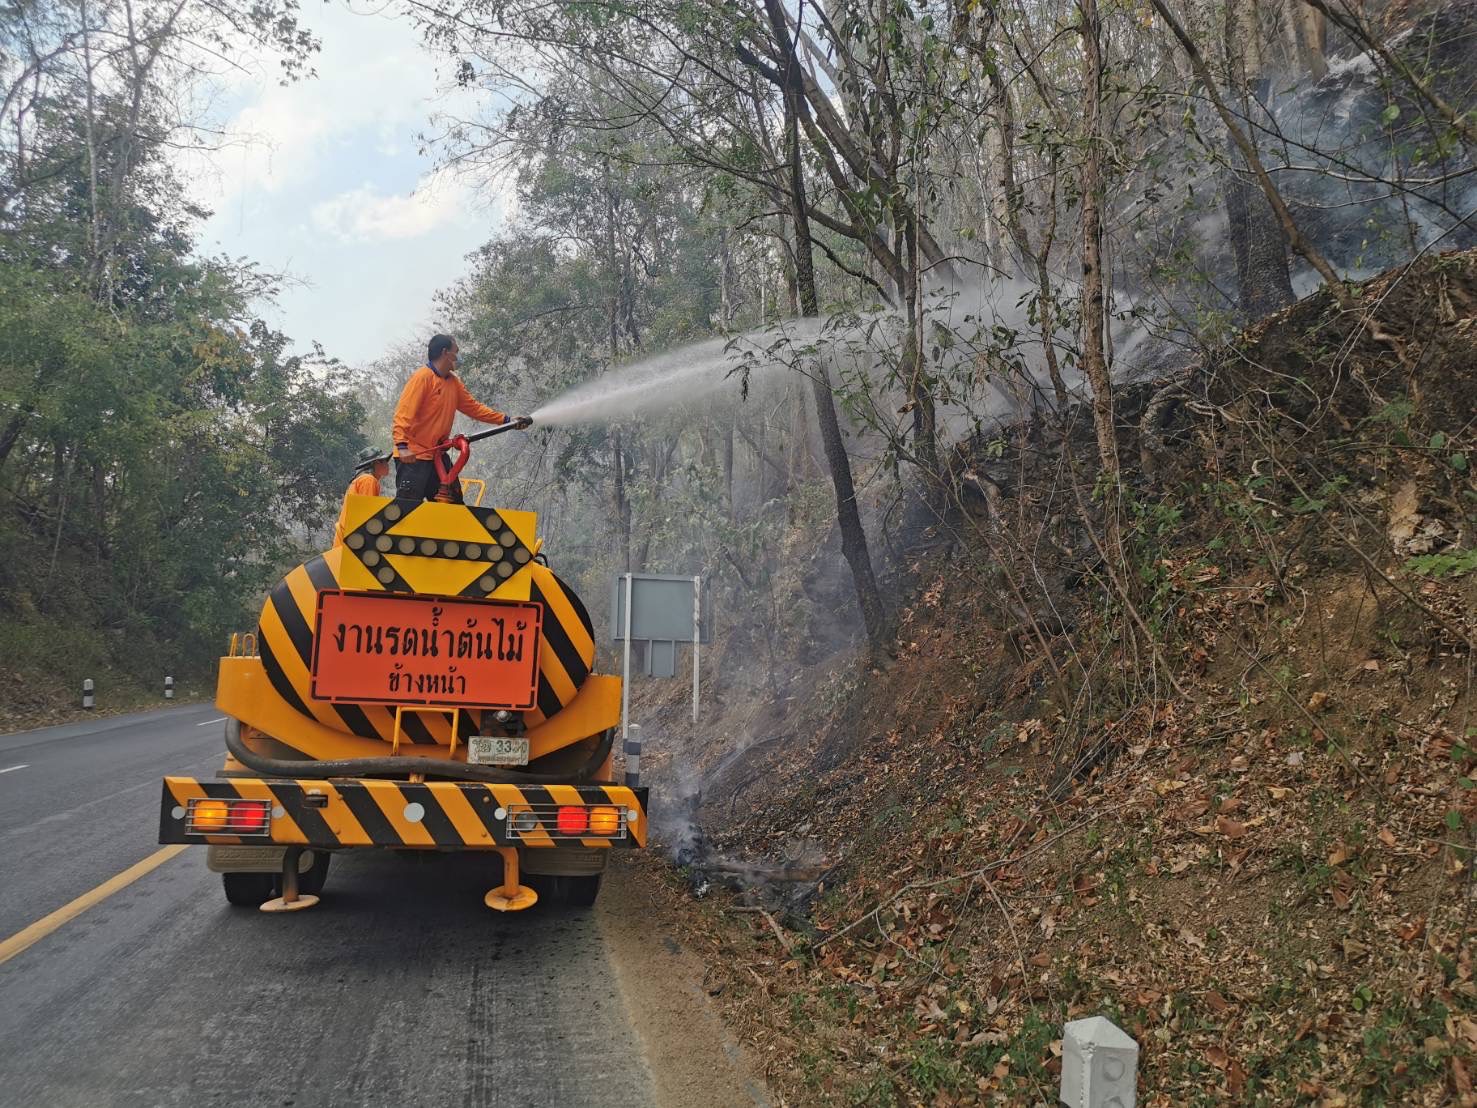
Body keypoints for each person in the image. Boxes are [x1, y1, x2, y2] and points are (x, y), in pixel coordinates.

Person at [391, 334, 531, 503]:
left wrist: (507, 421)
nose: (459, 356)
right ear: (445, 353)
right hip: (414, 455)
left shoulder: (453, 383)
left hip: (437, 454)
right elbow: (403, 414)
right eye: (456, 351)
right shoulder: (422, 378)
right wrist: (402, 447)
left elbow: (474, 408)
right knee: (408, 507)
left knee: (453, 502)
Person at [332, 446, 391, 547]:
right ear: (376, 463)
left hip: (349, 538)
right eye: (384, 461)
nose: (387, 464)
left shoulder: (365, 479)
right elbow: (367, 515)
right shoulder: (368, 480)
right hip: (350, 542)